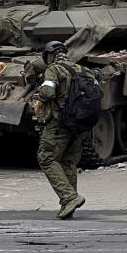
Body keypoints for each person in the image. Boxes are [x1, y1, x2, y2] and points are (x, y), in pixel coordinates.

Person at [34, 41, 87, 219]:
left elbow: (48, 93)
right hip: (79, 123)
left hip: (59, 122)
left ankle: (69, 197)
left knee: (47, 158)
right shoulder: (81, 69)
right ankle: (68, 203)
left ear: (49, 55)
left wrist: (39, 94)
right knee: (68, 162)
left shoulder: (54, 70)